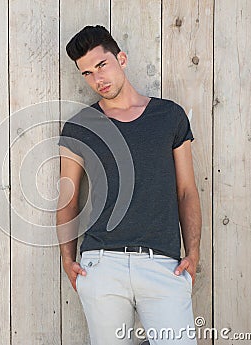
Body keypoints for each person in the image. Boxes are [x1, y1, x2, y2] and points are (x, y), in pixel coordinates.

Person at [56, 25, 202, 345]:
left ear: (121, 59)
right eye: (87, 73)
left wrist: (193, 254)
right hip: (102, 265)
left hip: (163, 266)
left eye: (102, 65)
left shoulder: (170, 116)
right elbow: (67, 199)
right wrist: (68, 260)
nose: (97, 79)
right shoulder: (80, 126)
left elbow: (187, 191)